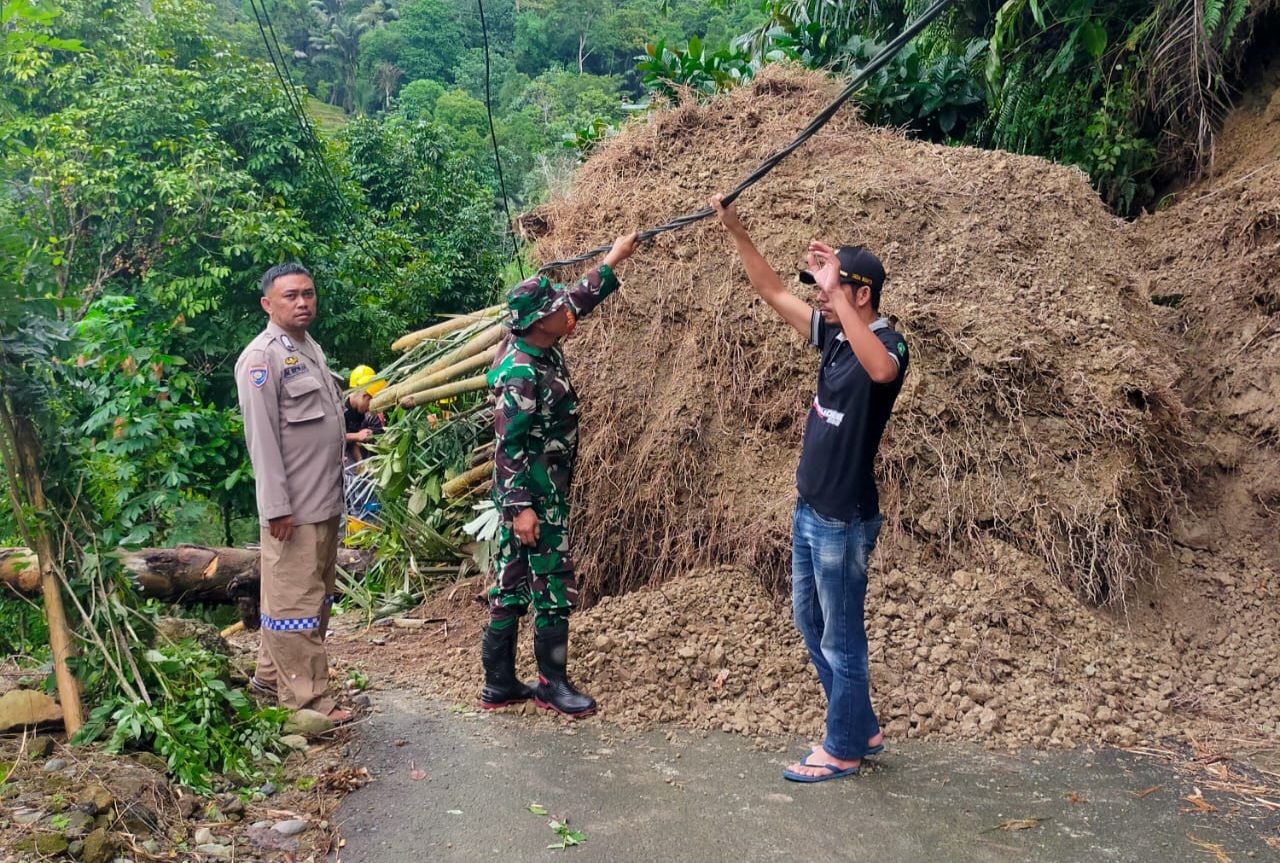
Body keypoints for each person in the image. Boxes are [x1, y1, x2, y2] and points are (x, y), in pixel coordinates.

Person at [710, 195, 909, 782]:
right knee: (810, 622)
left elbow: (881, 372)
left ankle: (843, 747)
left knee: (843, 639)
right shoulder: (834, 336)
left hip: (843, 520)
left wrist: (840, 298)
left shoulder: (888, 344)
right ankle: (860, 723)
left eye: (829, 284)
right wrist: (737, 229)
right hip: (809, 509)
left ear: (863, 294)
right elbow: (771, 290)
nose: (819, 293)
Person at [479, 232, 638, 718]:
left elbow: (574, 302)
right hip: (534, 496)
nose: (563, 311)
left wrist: (613, 258)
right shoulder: (522, 372)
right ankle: (552, 683)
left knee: (510, 582)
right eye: (553, 308)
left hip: (530, 494)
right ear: (536, 322)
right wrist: (522, 509)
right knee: (550, 585)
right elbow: (509, 447)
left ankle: (499, 682)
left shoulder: (535, 338)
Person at [235, 262, 351, 723]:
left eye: (308, 293)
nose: (302, 302)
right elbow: (261, 441)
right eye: (290, 296)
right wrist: (276, 508)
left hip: (324, 502)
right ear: (268, 304)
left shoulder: (308, 348)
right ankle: (307, 705)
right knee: (294, 605)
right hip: (294, 511)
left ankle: (268, 681)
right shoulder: (261, 359)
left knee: (313, 599)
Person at [343, 365, 386, 463]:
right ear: (365, 396)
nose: (370, 408)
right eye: (371, 402)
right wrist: (357, 436)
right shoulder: (339, 408)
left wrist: (360, 461)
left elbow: (351, 440)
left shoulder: (359, 412)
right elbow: (331, 437)